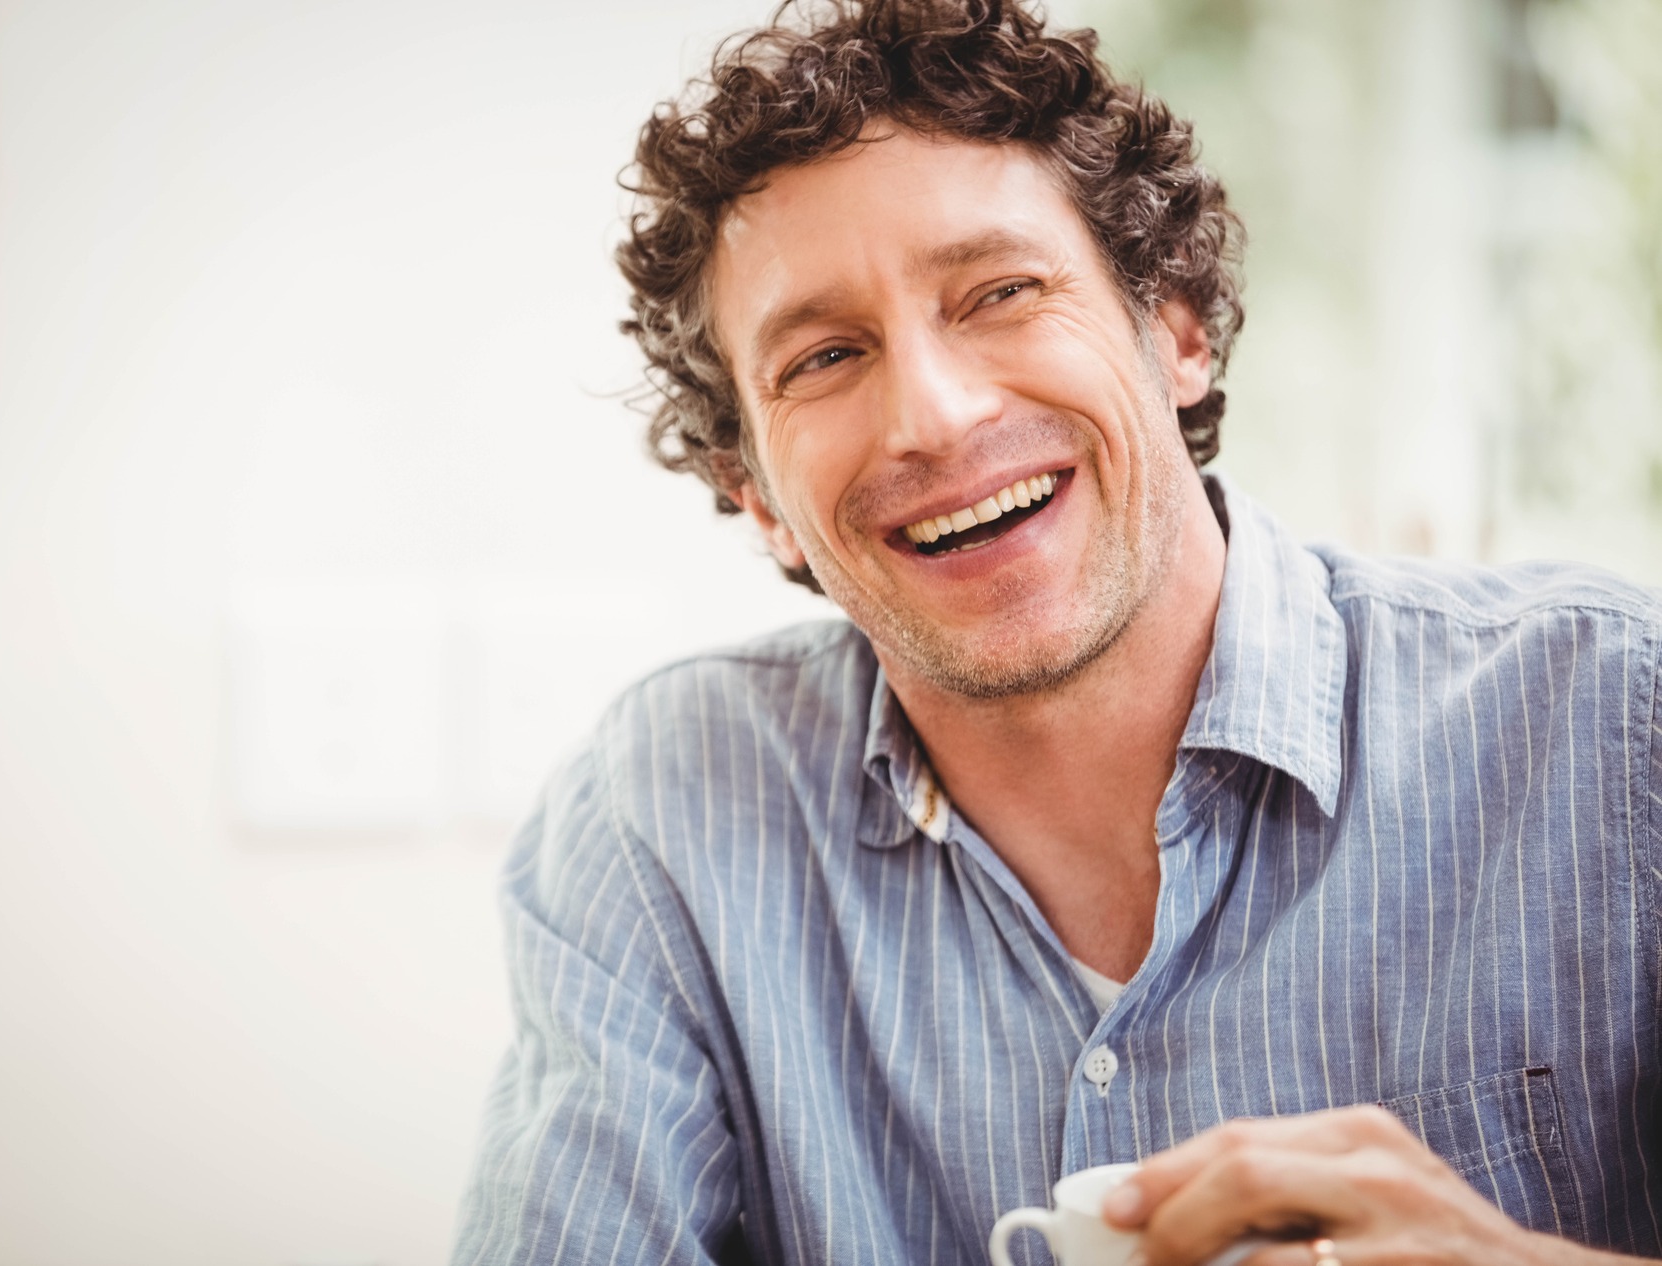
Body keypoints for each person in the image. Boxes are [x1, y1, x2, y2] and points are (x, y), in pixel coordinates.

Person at [450, 1, 1662, 1263]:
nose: (931, 413)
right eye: (823, 357)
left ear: (1178, 330)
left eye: (1002, 292)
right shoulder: (658, 820)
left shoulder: (1617, 721)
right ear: (761, 498)